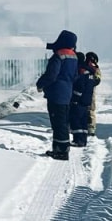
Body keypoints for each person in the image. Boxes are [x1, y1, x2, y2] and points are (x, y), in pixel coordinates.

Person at [36, 29, 78, 160]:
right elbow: (75, 76)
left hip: (56, 93)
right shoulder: (74, 56)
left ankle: (61, 151)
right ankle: (62, 148)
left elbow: (51, 75)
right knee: (63, 122)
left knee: (58, 123)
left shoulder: (58, 56)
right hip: (67, 93)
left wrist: (40, 84)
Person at [71, 51, 100, 146]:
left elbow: (80, 85)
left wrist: (75, 97)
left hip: (80, 99)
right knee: (83, 119)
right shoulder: (91, 70)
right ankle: (83, 139)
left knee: (77, 119)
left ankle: (78, 140)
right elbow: (95, 81)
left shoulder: (82, 70)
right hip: (88, 97)